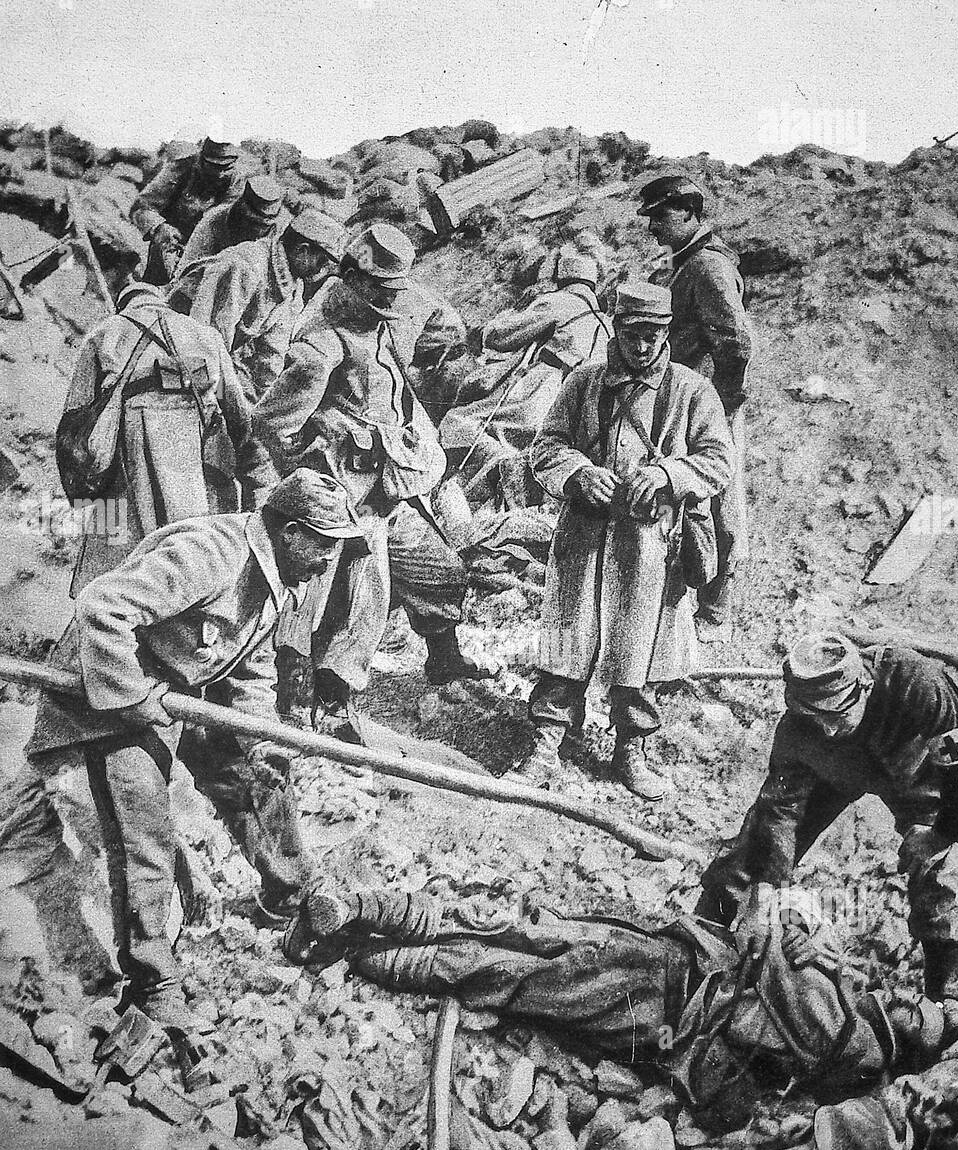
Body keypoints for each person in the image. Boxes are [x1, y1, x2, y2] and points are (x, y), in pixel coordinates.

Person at [20, 470, 354, 1029]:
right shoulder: (210, 554)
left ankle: (293, 899)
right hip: (103, 698)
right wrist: (133, 699)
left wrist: (259, 736)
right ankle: (154, 980)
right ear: (293, 532)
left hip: (181, 693)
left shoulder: (279, 574)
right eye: (324, 546)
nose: (327, 563)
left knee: (259, 773)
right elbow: (103, 607)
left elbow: (248, 667)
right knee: (143, 828)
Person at [280, 878, 958, 1128]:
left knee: (516, 970)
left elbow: (774, 956)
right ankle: (365, 917)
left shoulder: (851, 1037)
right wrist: (797, 931)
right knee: (531, 942)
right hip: (677, 963)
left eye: (918, 1016)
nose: (907, 1002)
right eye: (917, 1003)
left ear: (905, 1041)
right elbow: (782, 939)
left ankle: (363, 945)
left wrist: (792, 933)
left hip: (667, 1003)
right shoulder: (855, 1011)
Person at [253, 224, 485, 737]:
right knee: (345, 598)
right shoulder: (321, 346)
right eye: (382, 287)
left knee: (437, 570)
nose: (391, 298)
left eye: (395, 289)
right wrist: (322, 470)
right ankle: (320, 702)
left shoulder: (375, 322)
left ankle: (443, 658)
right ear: (354, 279)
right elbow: (271, 423)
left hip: (391, 488)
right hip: (343, 498)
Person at [696, 632, 958, 1032]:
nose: (827, 729)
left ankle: (946, 999)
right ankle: (700, 937)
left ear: (864, 688)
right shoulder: (801, 732)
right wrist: (766, 894)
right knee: (753, 850)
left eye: (836, 715)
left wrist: (943, 834)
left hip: (911, 768)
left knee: (940, 868)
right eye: (815, 719)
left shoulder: (918, 683)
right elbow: (779, 814)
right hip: (836, 772)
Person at [512, 282, 733, 800]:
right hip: (584, 535)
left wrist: (670, 475)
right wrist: (576, 473)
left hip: (652, 543)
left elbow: (719, 460)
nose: (642, 347)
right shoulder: (584, 382)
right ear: (616, 328)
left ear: (667, 334)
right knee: (569, 636)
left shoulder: (693, 391)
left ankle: (632, 747)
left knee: (643, 646)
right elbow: (545, 447)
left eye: (653, 335)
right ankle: (547, 741)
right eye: (633, 334)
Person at [55, 279, 259, 596]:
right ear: (162, 300)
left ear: (124, 305)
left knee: (118, 539)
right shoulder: (204, 334)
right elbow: (235, 406)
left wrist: (81, 486)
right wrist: (248, 459)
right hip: (192, 443)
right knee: (190, 539)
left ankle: (104, 604)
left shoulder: (106, 331)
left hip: (129, 439)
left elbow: (76, 411)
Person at [640, 175, 754, 641]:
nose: (653, 227)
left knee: (719, 501)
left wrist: (719, 408)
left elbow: (736, 343)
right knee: (690, 497)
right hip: (688, 398)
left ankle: (716, 610)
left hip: (709, 401)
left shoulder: (708, 268)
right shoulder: (686, 264)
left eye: (661, 216)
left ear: (689, 212)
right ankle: (693, 594)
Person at [439, 250, 613, 507]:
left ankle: (470, 483)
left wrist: (490, 329)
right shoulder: (607, 323)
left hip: (544, 388)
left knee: (460, 421)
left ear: (562, 280)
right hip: (584, 402)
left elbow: (503, 336)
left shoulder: (560, 302)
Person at [166, 206, 347, 403]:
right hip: (175, 350)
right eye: (322, 261)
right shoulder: (245, 266)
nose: (323, 270)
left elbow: (270, 357)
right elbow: (204, 341)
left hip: (216, 362)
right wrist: (223, 404)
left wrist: (258, 403)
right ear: (302, 250)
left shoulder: (293, 289)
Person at [131, 136, 244, 285]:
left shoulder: (238, 181)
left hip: (209, 254)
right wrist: (159, 227)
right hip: (172, 246)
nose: (220, 174)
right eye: (214, 166)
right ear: (202, 160)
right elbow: (142, 206)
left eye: (226, 167)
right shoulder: (183, 168)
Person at [178, 176, 285, 267]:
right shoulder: (215, 220)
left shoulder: (281, 231)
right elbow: (190, 263)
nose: (257, 229)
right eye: (252, 222)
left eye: (263, 225)